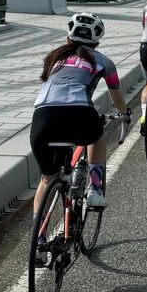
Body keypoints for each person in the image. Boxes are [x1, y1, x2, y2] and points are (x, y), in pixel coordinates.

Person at [29, 12, 130, 225]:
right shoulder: (104, 61)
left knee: (47, 178)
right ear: (97, 42)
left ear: (68, 38)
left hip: (43, 116)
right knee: (96, 138)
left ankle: (39, 235)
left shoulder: (53, 57)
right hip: (80, 112)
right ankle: (95, 190)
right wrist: (124, 113)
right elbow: (116, 95)